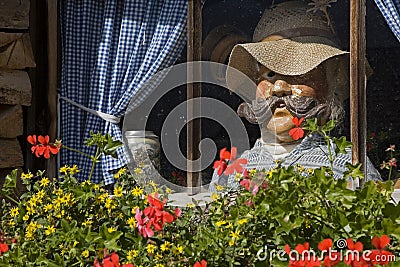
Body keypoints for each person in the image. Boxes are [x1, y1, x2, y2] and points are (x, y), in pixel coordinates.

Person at [209, 0, 381, 191]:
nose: (279, 88)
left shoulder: (349, 166)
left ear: (330, 84)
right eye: (269, 75)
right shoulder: (231, 172)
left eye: (298, 74)